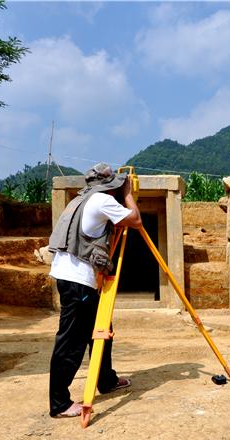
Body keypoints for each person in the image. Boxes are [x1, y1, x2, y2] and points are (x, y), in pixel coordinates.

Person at [46, 163, 142, 418]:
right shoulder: (101, 200)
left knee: (102, 328)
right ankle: (60, 403)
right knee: (71, 341)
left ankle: (106, 380)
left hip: (71, 276)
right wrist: (128, 194)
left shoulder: (80, 199)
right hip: (79, 281)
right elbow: (135, 220)